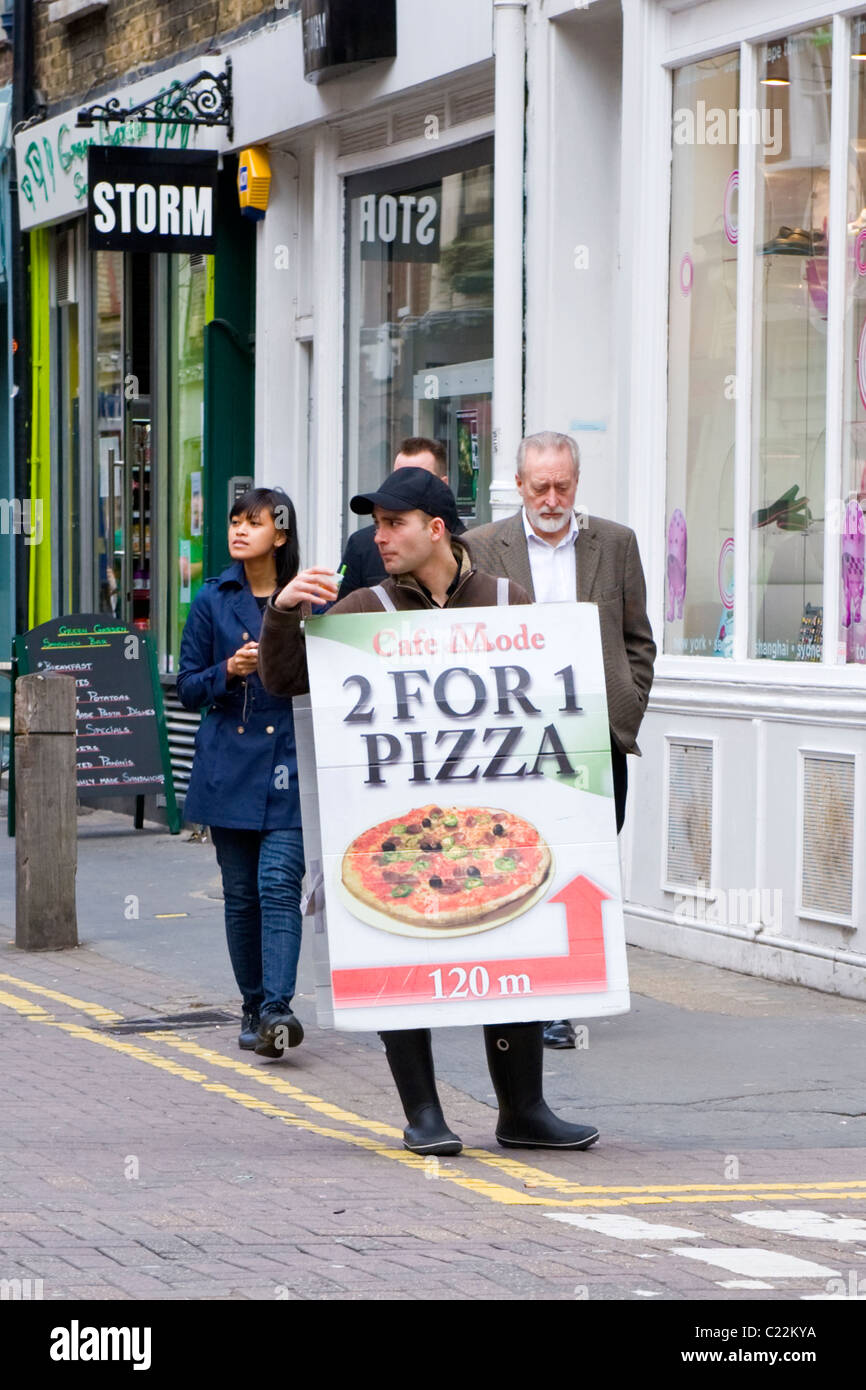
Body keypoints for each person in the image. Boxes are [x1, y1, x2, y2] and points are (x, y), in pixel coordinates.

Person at [257, 467, 600, 1155]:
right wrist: (285, 612)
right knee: (394, 954)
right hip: (398, 836)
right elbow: (286, 681)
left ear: (436, 529)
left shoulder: (508, 600)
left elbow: (553, 691)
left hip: (495, 825)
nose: (379, 537)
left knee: (515, 951)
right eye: (377, 524)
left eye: (394, 524)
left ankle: (522, 1109)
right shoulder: (360, 610)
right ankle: (423, 1112)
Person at [465, 431, 656, 1049]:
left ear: (577, 482)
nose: (552, 498)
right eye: (540, 486)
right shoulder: (481, 547)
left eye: (563, 486)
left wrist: (628, 705)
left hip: (594, 734)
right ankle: (538, 998)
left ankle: (569, 985)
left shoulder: (616, 543)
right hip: (513, 740)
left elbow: (638, 638)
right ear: (518, 484)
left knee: (585, 857)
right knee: (522, 860)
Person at [177, 487, 306, 1060]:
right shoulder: (212, 599)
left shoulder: (309, 599)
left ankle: (279, 1007)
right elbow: (186, 687)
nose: (238, 531)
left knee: (278, 884)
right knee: (241, 895)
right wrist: (228, 670)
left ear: (280, 534)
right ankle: (254, 1005)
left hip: (291, 764)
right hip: (228, 765)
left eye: (252, 523)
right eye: (233, 522)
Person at [337, 436, 464, 599]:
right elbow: (340, 616)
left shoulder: (476, 551)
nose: (380, 538)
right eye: (399, 476)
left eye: (395, 523)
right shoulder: (362, 546)